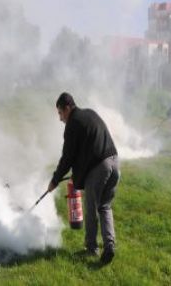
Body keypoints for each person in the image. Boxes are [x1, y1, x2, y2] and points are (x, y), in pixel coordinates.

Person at [47, 92, 120, 264]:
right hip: (115, 162)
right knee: (104, 206)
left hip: (100, 168)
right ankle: (109, 246)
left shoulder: (73, 124)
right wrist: (79, 171)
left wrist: (54, 180)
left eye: (60, 113)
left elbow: (67, 158)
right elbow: (87, 149)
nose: (60, 118)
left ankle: (91, 249)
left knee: (91, 209)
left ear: (67, 108)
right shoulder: (90, 113)